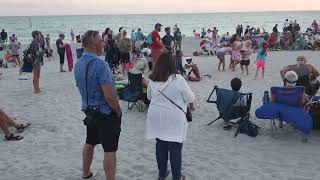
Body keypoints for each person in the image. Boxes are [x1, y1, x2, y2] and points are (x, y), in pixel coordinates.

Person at [74, 30, 122, 180]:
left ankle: (86, 173)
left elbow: (81, 86)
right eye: (101, 41)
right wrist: (118, 110)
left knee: (90, 142)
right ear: (94, 43)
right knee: (110, 149)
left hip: (89, 110)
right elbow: (109, 95)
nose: (104, 44)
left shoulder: (78, 63)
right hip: (104, 112)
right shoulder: (101, 64)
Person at [146, 51, 195, 180]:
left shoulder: (152, 79)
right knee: (175, 148)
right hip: (174, 117)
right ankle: (177, 176)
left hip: (156, 116)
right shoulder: (178, 79)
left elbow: (149, 97)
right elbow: (190, 97)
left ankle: (162, 174)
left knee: (160, 146)